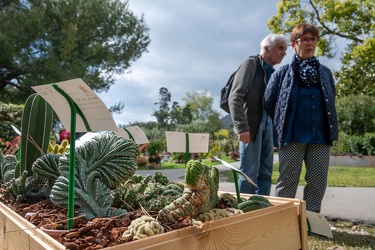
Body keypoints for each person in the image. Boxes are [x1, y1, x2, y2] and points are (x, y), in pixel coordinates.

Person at [264, 23, 338, 212]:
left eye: (313, 39)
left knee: (318, 182)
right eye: (304, 39)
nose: (310, 43)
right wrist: (283, 123)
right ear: (294, 44)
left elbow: (330, 100)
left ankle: (310, 222)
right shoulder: (281, 73)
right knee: (287, 181)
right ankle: (283, 221)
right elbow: (269, 103)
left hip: (320, 136)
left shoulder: (326, 73)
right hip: (292, 136)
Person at [228, 34, 288, 195]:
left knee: (266, 172)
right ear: (267, 48)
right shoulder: (251, 64)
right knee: (249, 171)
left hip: (267, 122)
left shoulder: (273, 73)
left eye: (286, 49)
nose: (284, 53)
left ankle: (261, 208)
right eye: (280, 48)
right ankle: (244, 212)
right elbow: (235, 96)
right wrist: (241, 127)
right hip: (252, 124)